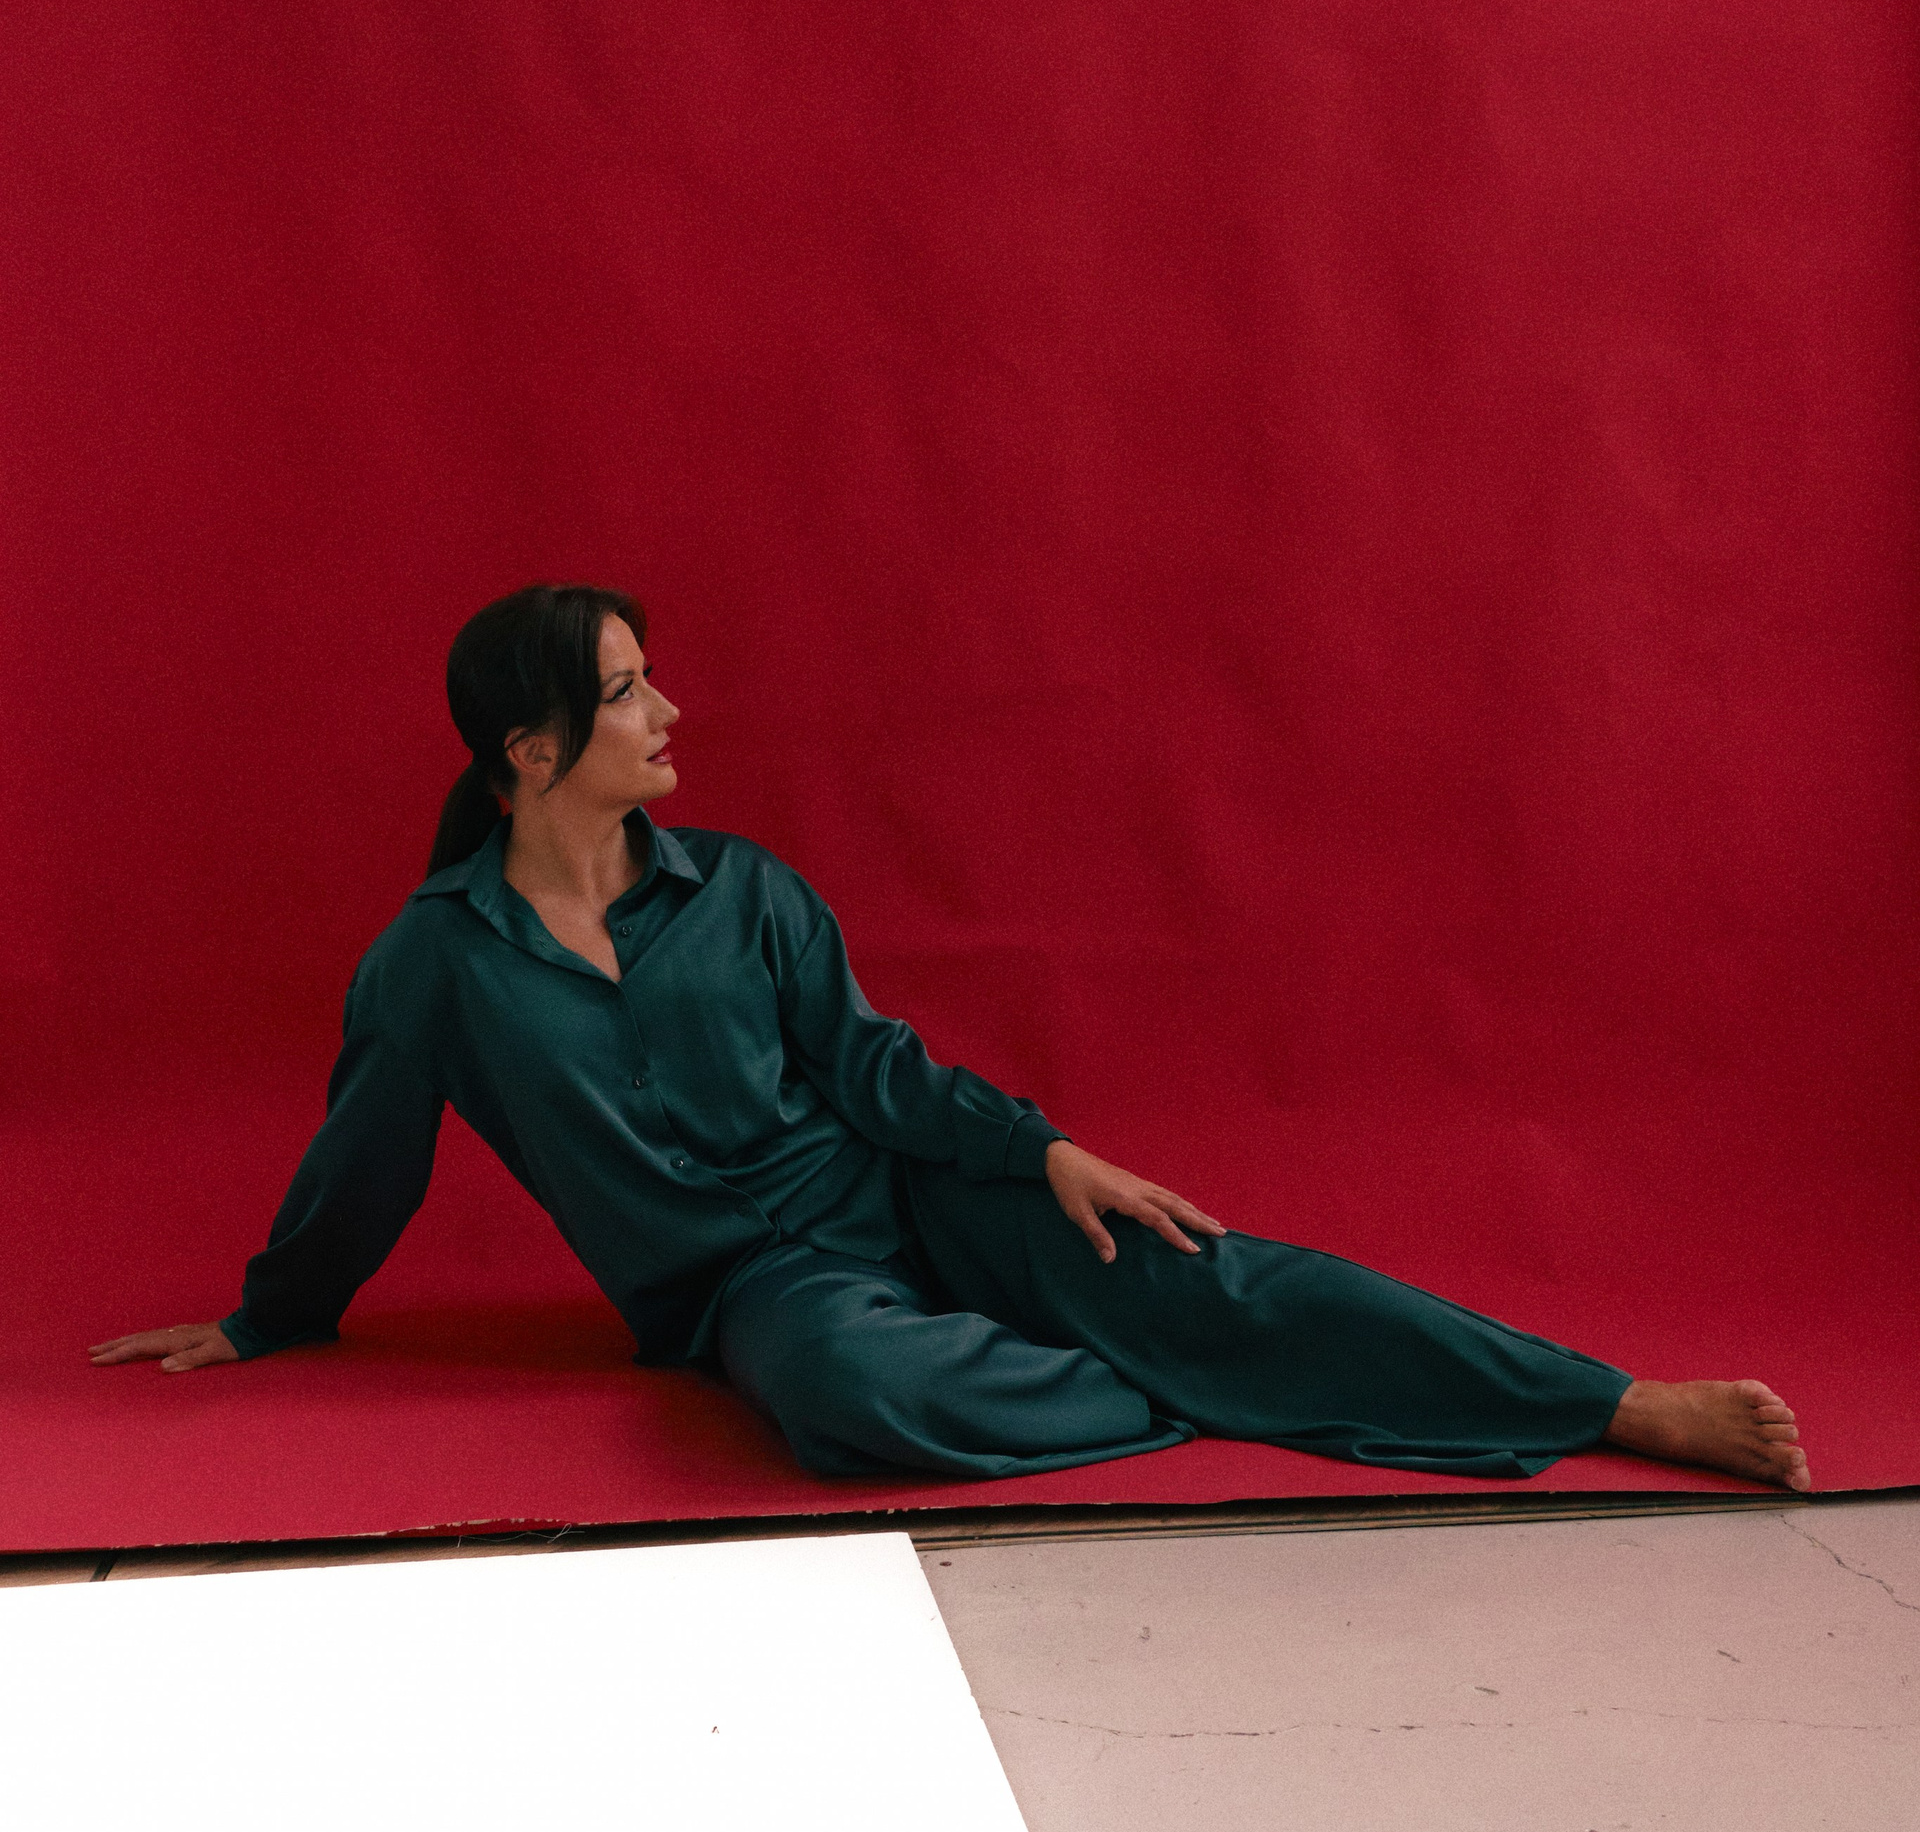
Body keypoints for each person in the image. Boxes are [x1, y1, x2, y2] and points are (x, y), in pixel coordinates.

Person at [91, 583, 1810, 1491]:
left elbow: (871, 1066)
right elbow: (368, 1156)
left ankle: (1614, 1405)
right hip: (759, 1291)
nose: (668, 708)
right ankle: (1205, 1379)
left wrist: (1041, 1152)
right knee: (851, 1398)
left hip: (909, 1191)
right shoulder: (435, 965)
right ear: (529, 753)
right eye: (623, 690)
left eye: (649, 675)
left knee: (1206, 1266)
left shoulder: (745, 889)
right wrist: (271, 1314)